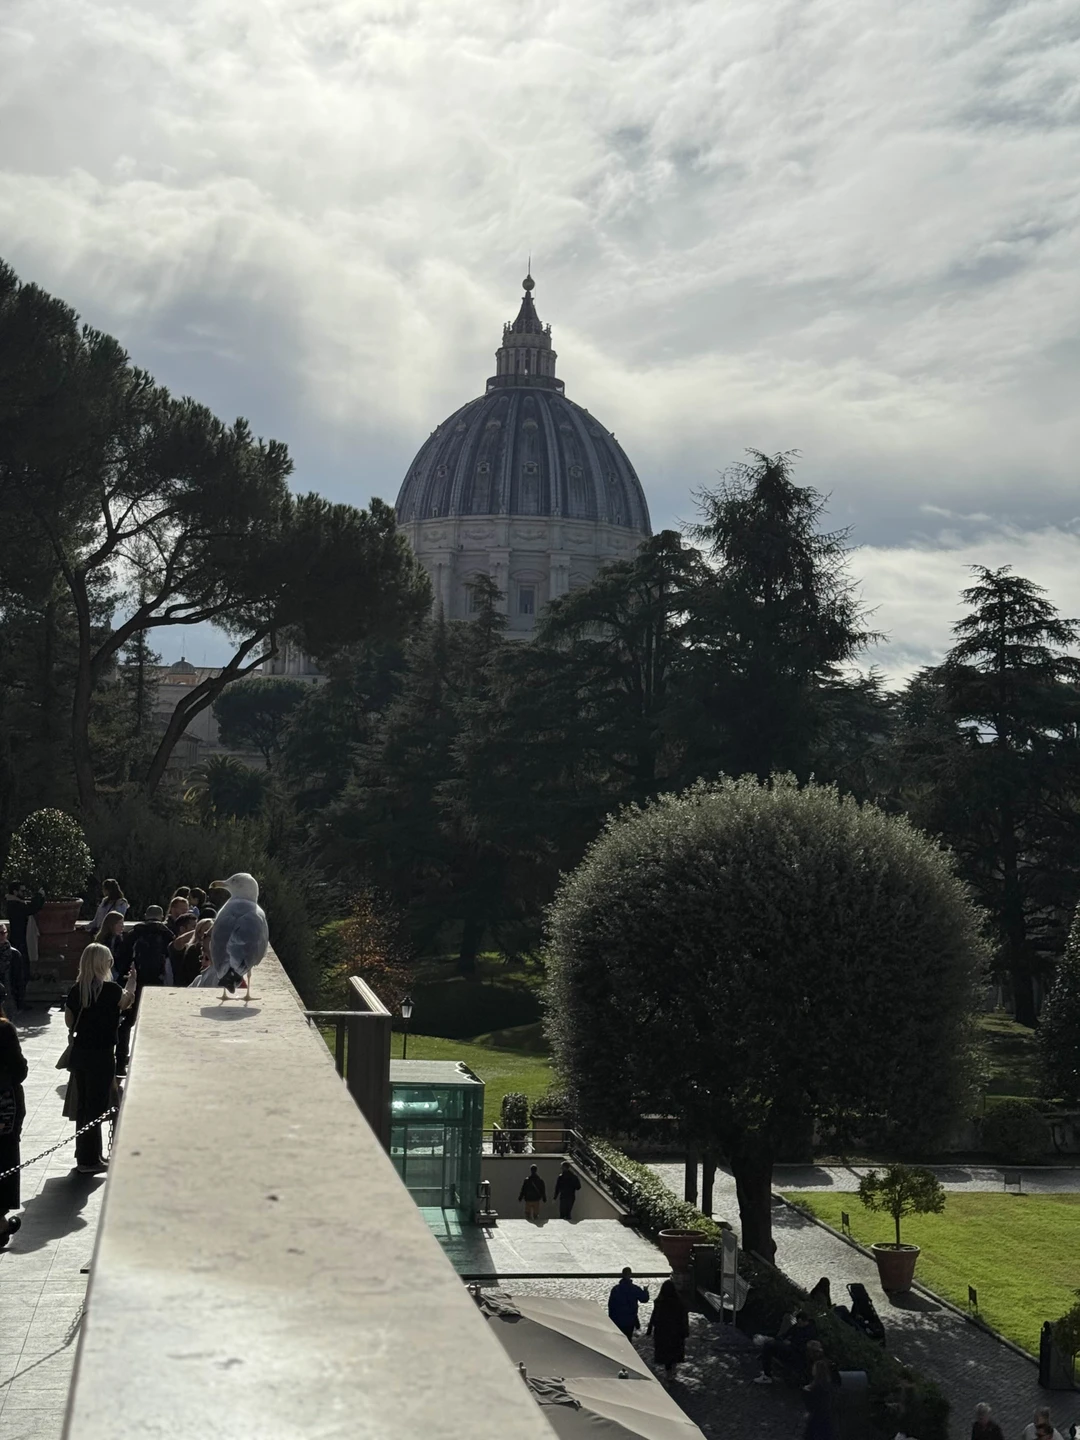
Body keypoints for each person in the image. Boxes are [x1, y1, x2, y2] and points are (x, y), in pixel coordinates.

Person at [65, 943, 137, 1173]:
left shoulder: (76, 990)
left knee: (84, 1106)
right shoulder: (112, 990)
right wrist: (133, 981)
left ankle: (87, 1155)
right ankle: (89, 1160)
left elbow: (69, 1021)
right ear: (102, 963)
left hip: (80, 1054)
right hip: (102, 1055)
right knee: (95, 1108)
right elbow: (127, 1004)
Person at [114, 905, 173, 1075]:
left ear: (146, 915)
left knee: (126, 1023)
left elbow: (122, 956)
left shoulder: (135, 932)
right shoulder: (166, 933)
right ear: (161, 916)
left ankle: (121, 1062)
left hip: (136, 981)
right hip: (158, 983)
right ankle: (151, 1061)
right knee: (155, 1023)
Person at [0, 1016, 27, 1247]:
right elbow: (19, 1070)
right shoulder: (3, 1028)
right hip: (3, 1104)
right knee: (5, 1157)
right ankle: (0, 1223)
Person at [755, 1310, 819, 1383]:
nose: (797, 1325)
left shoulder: (811, 1332)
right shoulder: (798, 1327)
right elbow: (788, 1333)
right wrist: (779, 1339)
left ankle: (767, 1376)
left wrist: (791, 1343)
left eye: (799, 1323)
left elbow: (803, 1348)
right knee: (770, 1344)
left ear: (802, 1321)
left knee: (769, 1346)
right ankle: (767, 1371)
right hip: (790, 1347)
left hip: (797, 1354)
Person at [646, 1279, 689, 1377]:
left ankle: (668, 1370)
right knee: (674, 1351)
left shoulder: (660, 1302)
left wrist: (650, 1328)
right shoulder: (679, 1302)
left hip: (663, 1332)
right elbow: (684, 1317)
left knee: (666, 1352)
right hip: (675, 1332)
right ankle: (672, 1369)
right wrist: (685, 1331)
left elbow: (654, 1315)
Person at [608, 1267, 650, 1340]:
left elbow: (611, 1305)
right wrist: (645, 1291)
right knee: (628, 1338)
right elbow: (644, 1299)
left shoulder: (616, 1289)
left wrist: (611, 1319)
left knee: (618, 1339)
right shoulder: (634, 1289)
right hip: (630, 1319)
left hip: (617, 1319)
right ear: (630, 1275)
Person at [804, 1357, 836, 1440]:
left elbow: (809, 1405)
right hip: (826, 1418)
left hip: (815, 1417)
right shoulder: (829, 1387)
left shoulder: (810, 1389)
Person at [170, 915, 206, 988]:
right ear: (182, 929)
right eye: (194, 926)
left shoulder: (199, 947)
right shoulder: (175, 945)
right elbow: (179, 941)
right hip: (181, 988)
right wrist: (200, 930)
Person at [93, 910, 128, 977]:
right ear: (112, 925)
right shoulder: (103, 940)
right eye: (120, 924)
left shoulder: (120, 939)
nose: (122, 926)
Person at [0, 922, 20, 1018]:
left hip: (8, 994)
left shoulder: (14, 954)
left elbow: (19, 978)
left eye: (4, 933)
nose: (2, 936)